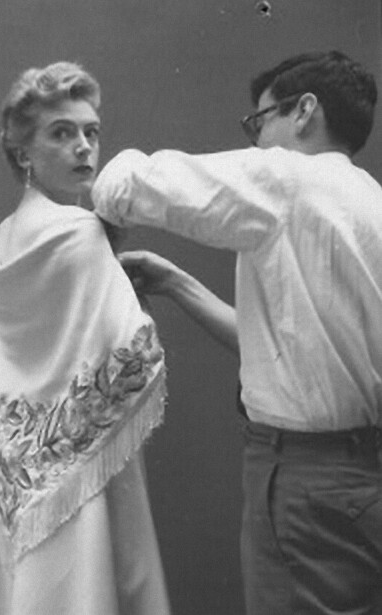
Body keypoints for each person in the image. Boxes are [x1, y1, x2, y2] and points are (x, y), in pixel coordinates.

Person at [93, 50, 382, 614]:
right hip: (363, 479)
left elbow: (122, 186)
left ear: (305, 111)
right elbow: (289, 354)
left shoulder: (287, 179)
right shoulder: (370, 202)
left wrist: (107, 202)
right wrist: (176, 284)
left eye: (261, 121)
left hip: (303, 485)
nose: (257, 142)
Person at [0, 62, 171, 615]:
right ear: (23, 153)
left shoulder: (3, 240)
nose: (83, 147)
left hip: (25, 474)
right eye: (62, 133)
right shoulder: (81, 233)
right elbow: (133, 350)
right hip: (86, 463)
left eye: (91, 132)